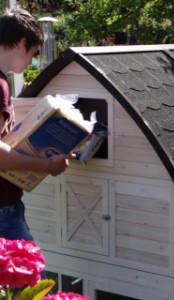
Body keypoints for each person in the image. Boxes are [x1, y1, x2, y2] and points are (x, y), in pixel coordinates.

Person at [0, 8, 74, 242]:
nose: (33, 59)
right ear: (21, 43)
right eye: (34, 51)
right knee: (34, 277)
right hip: (2, 211)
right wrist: (46, 165)